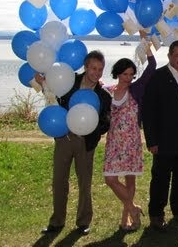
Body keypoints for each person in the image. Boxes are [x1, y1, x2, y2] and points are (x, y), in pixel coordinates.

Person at [38, 50, 111, 235]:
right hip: (64, 137)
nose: (96, 73)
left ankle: (83, 221)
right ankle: (57, 221)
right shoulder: (69, 81)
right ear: (86, 67)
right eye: (93, 68)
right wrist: (43, 82)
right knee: (59, 180)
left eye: (100, 69)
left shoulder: (103, 96)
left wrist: (89, 127)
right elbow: (54, 99)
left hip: (86, 143)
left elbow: (105, 122)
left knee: (85, 183)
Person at [142, 40, 178, 230]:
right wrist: (151, 140)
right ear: (169, 56)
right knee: (161, 177)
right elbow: (148, 111)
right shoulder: (159, 77)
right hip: (166, 136)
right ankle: (156, 214)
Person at [103, 33, 156, 231]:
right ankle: (134, 208)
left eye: (130, 74)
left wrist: (147, 45)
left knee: (130, 179)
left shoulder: (137, 89)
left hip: (131, 141)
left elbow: (151, 68)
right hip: (114, 143)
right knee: (110, 179)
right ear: (117, 73)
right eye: (124, 74)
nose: (128, 77)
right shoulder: (107, 91)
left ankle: (127, 218)